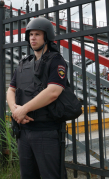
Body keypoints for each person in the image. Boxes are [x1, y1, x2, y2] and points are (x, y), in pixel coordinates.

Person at [6, 17, 68, 179]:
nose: (32, 37)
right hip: (24, 131)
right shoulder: (23, 63)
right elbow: (11, 90)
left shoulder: (56, 61)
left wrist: (23, 109)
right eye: (31, 34)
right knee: (27, 175)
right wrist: (15, 110)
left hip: (45, 131)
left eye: (37, 34)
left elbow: (53, 91)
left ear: (46, 37)